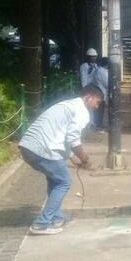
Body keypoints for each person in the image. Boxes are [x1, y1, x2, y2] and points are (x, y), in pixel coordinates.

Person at [18, 85, 103, 235]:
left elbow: (60, 134)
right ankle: (41, 224)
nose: (97, 106)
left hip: (28, 146)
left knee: (55, 181)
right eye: (97, 102)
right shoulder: (81, 111)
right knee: (64, 182)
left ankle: (56, 218)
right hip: (43, 148)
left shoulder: (67, 105)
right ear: (88, 97)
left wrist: (71, 157)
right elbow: (73, 139)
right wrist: (85, 160)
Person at [92, 57, 109, 133]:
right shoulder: (103, 71)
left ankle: (97, 125)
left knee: (97, 110)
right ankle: (99, 127)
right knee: (100, 111)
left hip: (97, 92)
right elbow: (108, 83)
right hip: (101, 93)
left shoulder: (98, 70)